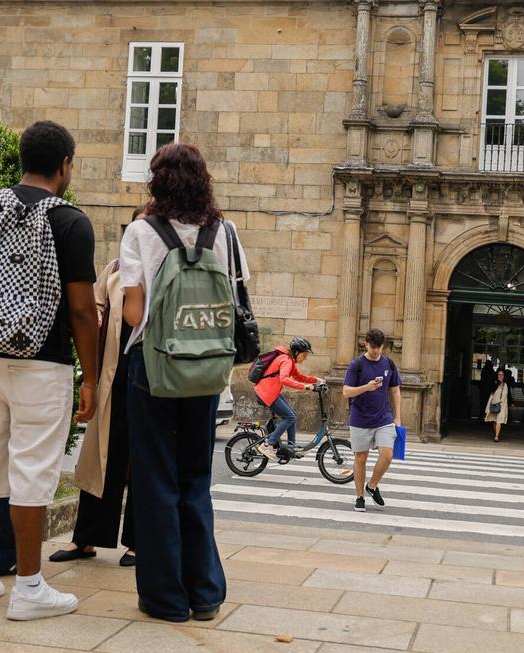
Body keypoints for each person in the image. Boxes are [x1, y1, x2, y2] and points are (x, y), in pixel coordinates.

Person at [0, 120, 98, 620]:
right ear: (65, 166)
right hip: (43, 363)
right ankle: (30, 587)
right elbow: (82, 310)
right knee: (32, 471)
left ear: (22, 159)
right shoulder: (72, 223)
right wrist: (91, 377)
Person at [120, 143, 247, 623]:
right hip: (207, 373)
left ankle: (165, 598)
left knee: (155, 481)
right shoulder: (225, 232)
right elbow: (235, 302)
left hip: (153, 371)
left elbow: (134, 312)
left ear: (157, 182)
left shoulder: (141, 231)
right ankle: (206, 593)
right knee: (196, 479)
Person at [50, 206, 148, 567]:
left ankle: (140, 542)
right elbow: (94, 308)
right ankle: (87, 538)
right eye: (133, 230)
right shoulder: (116, 267)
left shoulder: (163, 266)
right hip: (113, 372)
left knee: (143, 459)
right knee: (102, 455)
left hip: (151, 374)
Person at [342, 328, 402, 512]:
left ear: (383, 346)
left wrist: (398, 417)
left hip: (384, 417)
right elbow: (346, 392)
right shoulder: (357, 365)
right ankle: (360, 497)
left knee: (387, 454)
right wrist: (366, 387)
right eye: (372, 347)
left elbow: (395, 390)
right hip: (360, 418)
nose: (376, 351)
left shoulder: (389, 364)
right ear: (366, 344)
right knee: (361, 458)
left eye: (379, 347)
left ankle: (372, 485)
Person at [253, 337, 322, 460]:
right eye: (304, 355)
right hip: (266, 393)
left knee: (292, 415)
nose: (305, 358)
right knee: (290, 417)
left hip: (270, 392)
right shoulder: (286, 360)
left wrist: (316, 380)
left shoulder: (289, 360)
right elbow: (284, 379)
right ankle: (267, 444)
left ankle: (291, 447)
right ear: (296, 352)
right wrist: (306, 387)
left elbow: (298, 376)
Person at [485, 369, 509, 442]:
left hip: (501, 405)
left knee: (499, 421)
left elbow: (504, 396)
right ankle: (496, 433)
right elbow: (491, 395)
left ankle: (496, 436)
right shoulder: (494, 384)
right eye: (499, 374)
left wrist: (500, 404)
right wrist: (488, 406)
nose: (500, 376)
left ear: (504, 376)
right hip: (493, 404)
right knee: (494, 421)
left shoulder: (505, 385)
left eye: (502, 375)